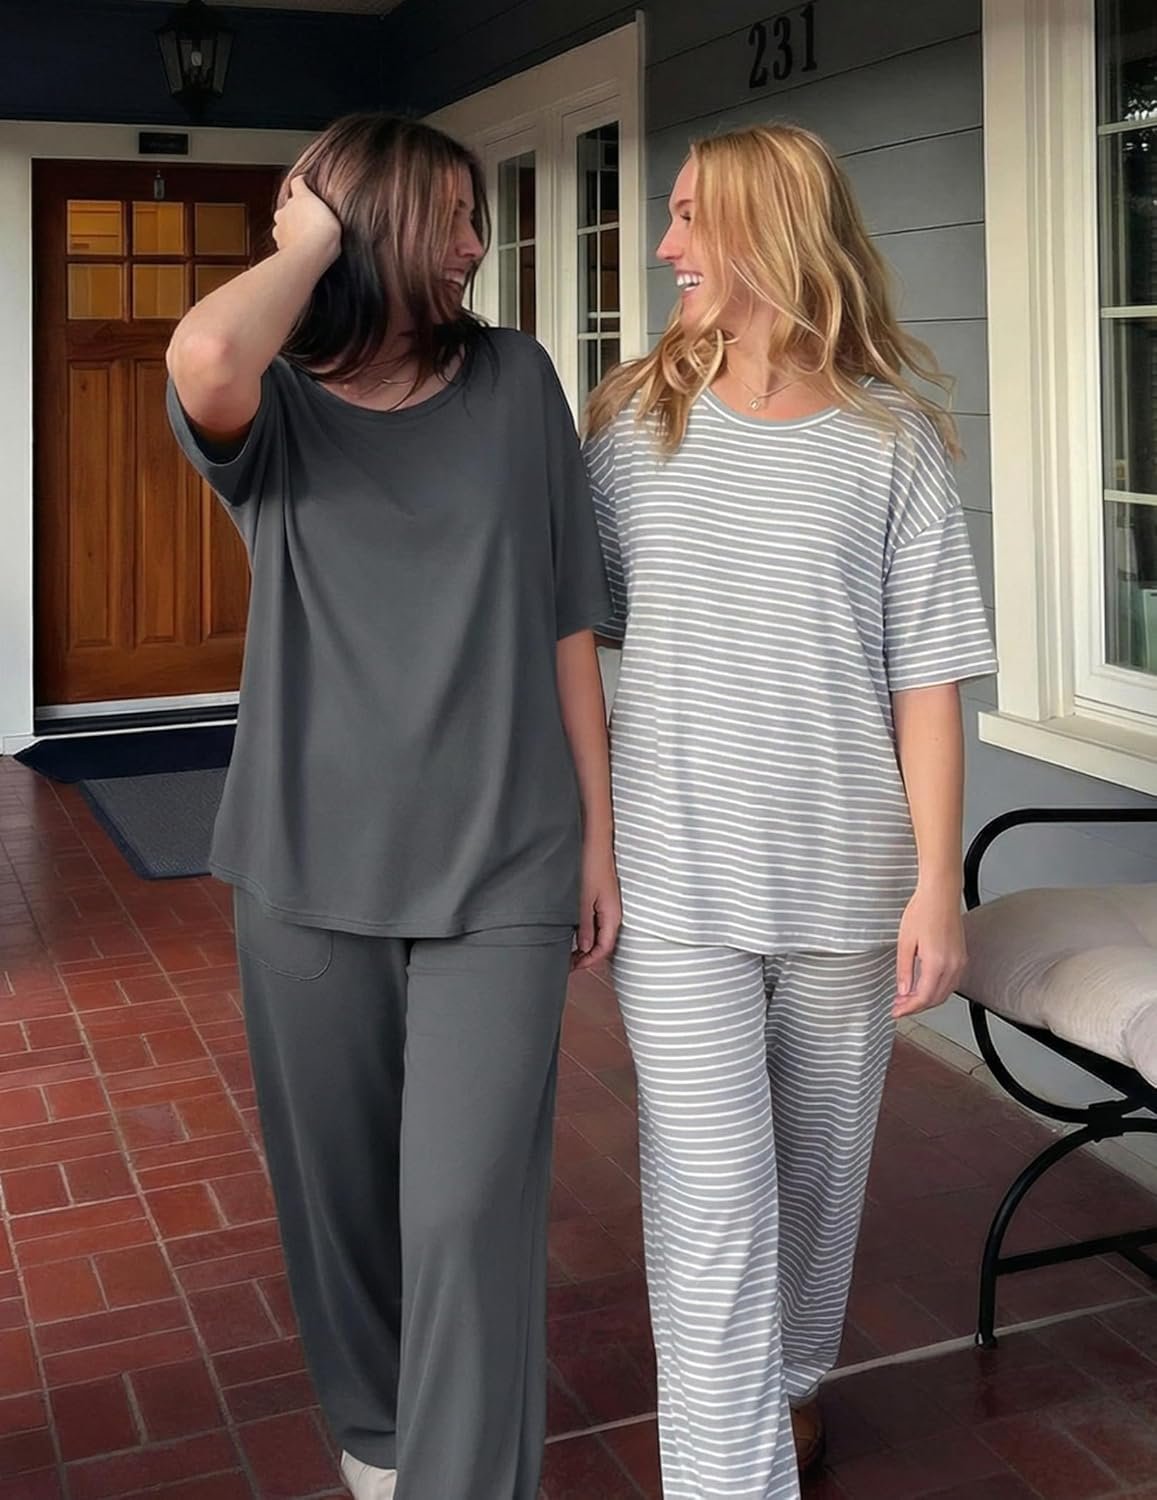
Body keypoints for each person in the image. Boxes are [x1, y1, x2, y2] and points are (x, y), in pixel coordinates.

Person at [165, 113, 620, 1500]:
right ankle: (376, 1445)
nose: (477, 243)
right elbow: (205, 352)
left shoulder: (517, 379)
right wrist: (309, 238)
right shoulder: (274, 410)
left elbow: (567, 616)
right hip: (306, 864)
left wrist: (597, 836)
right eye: (452, 217)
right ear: (370, 229)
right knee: (344, 1207)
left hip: (504, 860)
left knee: (468, 1211)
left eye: (477, 216)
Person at [583, 124, 996, 1499]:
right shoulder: (631, 429)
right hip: (676, 885)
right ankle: (729, 1474)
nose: (665, 247)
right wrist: (584, 840)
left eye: (689, 216)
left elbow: (927, 681)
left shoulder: (889, 443)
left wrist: (936, 882)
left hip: (844, 883)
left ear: (769, 228)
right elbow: (571, 644)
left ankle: (792, 1387)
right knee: (711, 1197)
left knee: (816, 1181)